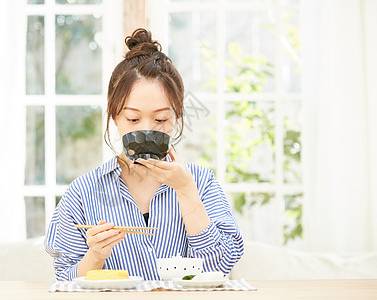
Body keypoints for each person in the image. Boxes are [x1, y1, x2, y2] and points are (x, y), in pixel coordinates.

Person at [45, 28, 244, 281]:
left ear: (177, 117)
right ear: (114, 116)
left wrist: (186, 192)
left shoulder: (201, 183)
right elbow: (64, 281)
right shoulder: (83, 194)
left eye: (161, 118)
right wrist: (94, 256)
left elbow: (222, 266)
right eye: (133, 118)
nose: (147, 130)